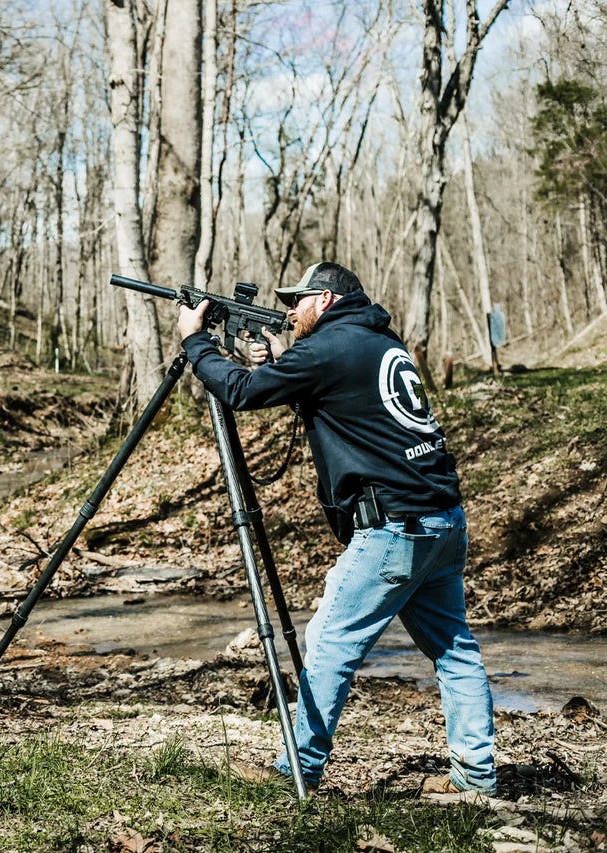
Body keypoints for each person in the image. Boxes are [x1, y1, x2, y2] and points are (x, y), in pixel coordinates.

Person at [176, 261, 497, 796]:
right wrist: (285, 363)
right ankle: (477, 778)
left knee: (329, 641)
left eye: (297, 300)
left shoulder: (327, 347)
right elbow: (342, 399)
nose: (289, 311)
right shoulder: (379, 341)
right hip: (441, 520)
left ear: (324, 300)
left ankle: (297, 771)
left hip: (394, 527)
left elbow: (241, 392)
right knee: (454, 650)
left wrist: (195, 342)